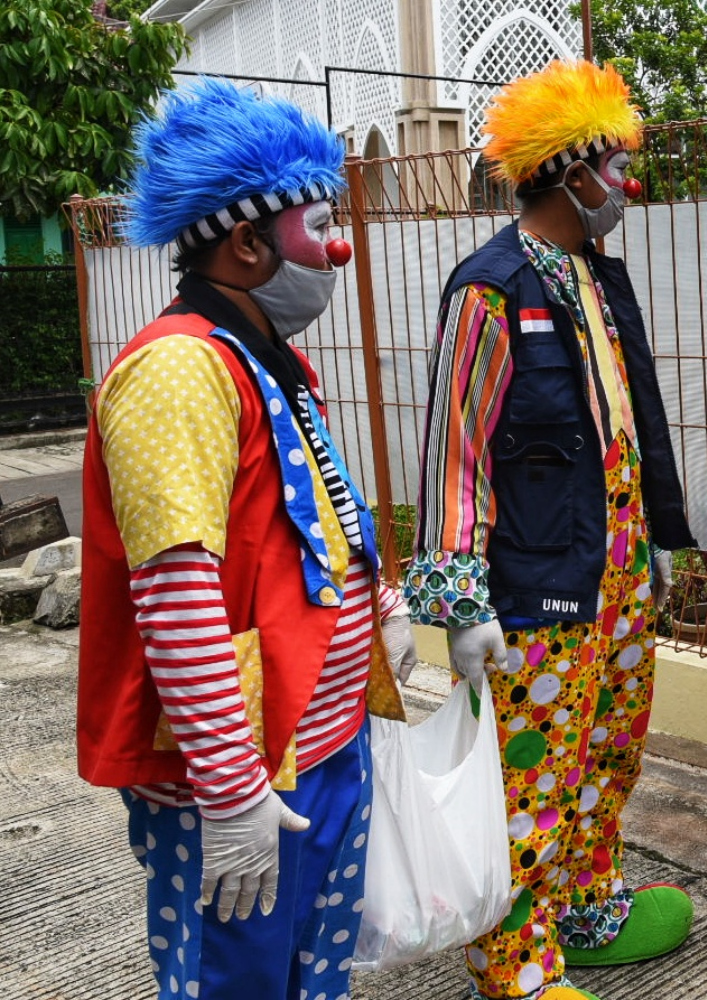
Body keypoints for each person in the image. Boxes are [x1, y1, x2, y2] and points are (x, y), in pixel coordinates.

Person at [76, 79, 416, 999]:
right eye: (323, 224)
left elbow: (312, 519)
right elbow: (175, 584)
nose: (340, 247)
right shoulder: (180, 370)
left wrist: (377, 603)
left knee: (314, 970)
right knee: (240, 981)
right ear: (249, 240)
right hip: (244, 771)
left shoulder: (266, 356)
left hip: (322, 742)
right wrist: (229, 788)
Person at [404, 60, 697, 1000]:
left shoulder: (596, 279)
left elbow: (627, 421)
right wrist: (458, 596)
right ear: (566, 171)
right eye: (612, 165)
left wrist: (654, 536)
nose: (625, 184)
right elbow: (455, 448)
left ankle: (585, 905)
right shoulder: (489, 290)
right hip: (536, 578)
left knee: (609, 746)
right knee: (533, 766)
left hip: (612, 563)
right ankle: (514, 959)